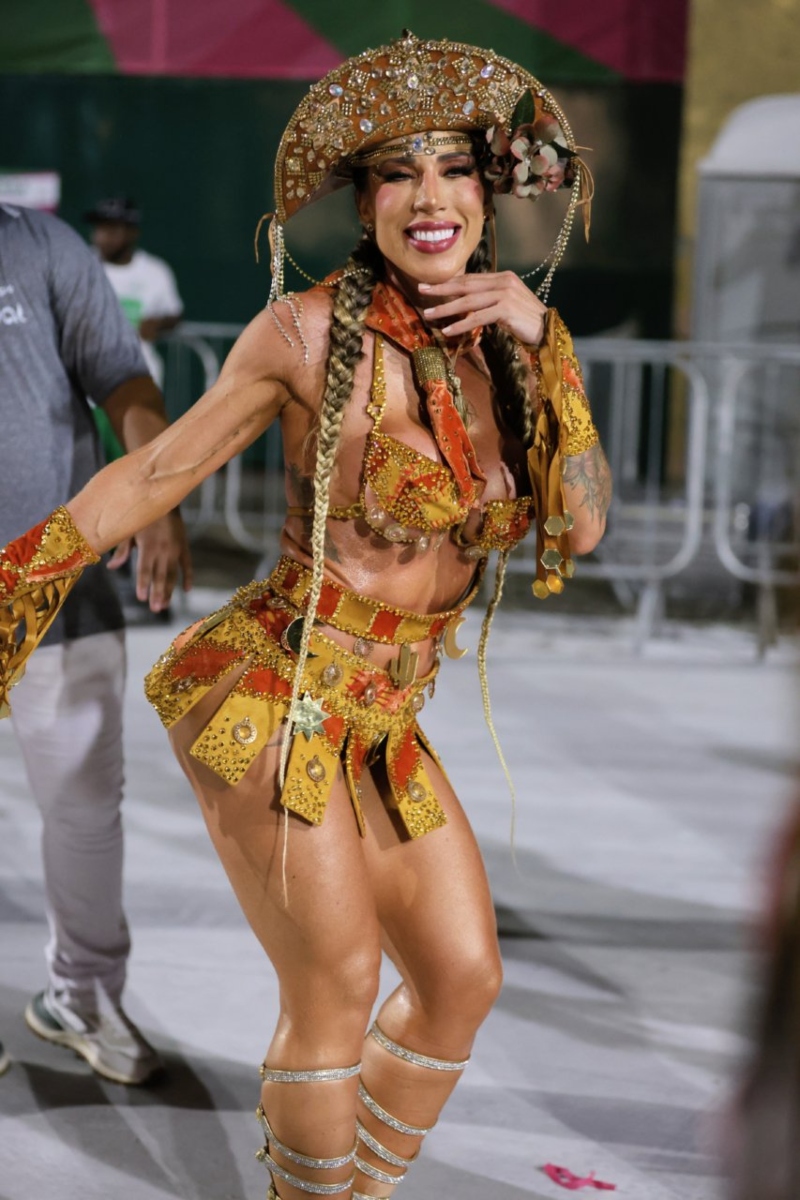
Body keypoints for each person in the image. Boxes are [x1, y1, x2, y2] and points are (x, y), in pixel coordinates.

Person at [0, 32, 610, 1193]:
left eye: (452, 170)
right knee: (333, 986)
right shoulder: (303, 332)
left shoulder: (512, 347)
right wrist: (17, 577)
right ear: (363, 201)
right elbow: (156, 469)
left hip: (387, 715)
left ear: (488, 192)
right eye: (395, 174)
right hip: (272, 692)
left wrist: (548, 349)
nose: (427, 198)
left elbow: (579, 530)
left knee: (461, 976)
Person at [0, 200, 191, 1085]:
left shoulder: (40, 245)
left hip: (56, 577)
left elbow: (126, 382)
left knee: (83, 809)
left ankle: (81, 993)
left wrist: (156, 496)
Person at [85, 195, 183, 389]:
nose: (102, 237)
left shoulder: (155, 271)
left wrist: (159, 324)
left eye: (112, 229)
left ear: (132, 233)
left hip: (137, 377)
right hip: (86, 377)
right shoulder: (80, 264)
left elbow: (175, 314)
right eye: (99, 229)